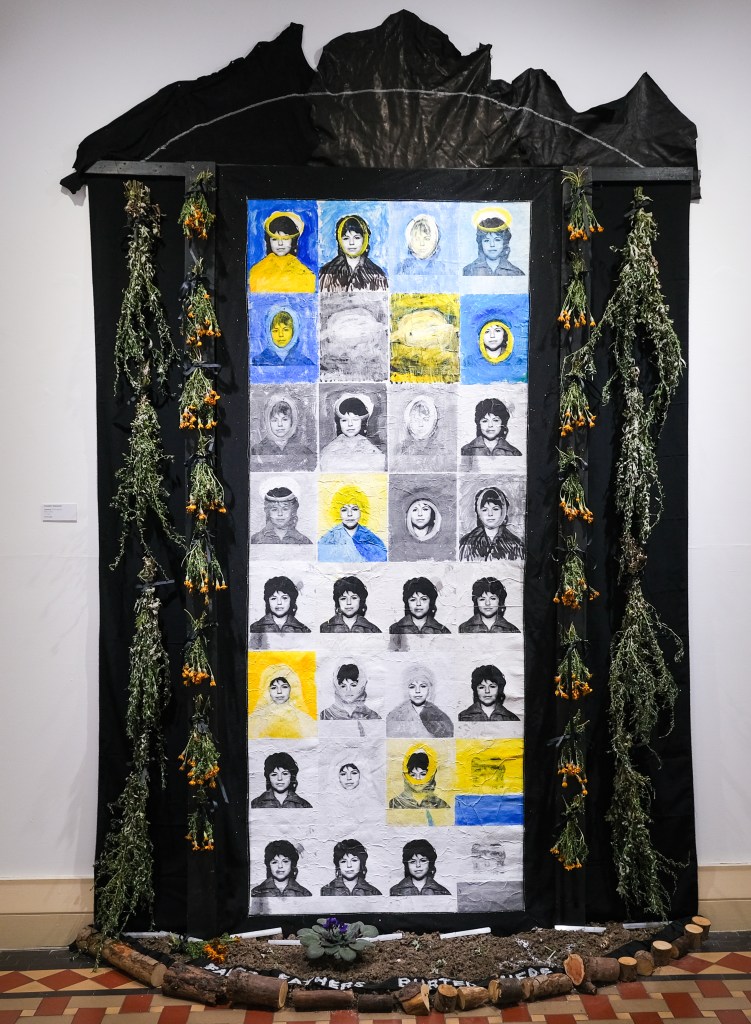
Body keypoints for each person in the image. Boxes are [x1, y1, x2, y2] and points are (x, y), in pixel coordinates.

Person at [248, 211, 316, 292]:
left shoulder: (306, 274)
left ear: (293, 241)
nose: (280, 243)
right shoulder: (256, 271)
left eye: (285, 239)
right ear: (268, 241)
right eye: (275, 239)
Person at [319, 214, 388, 293]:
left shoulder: (377, 273)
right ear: (339, 241)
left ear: (365, 240)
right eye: (346, 238)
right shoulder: (326, 271)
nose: (351, 243)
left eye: (357, 237)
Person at [248, 662, 316, 739]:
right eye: (274, 688)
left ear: (292, 688)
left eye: (284, 687)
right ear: (267, 690)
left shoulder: (305, 721)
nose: (279, 692)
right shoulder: (254, 721)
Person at [318, 487, 387, 562]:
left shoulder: (372, 539)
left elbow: (382, 559)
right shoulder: (328, 539)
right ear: (337, 512)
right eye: (344, 510)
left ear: (362, 511)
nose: (349, 514)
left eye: (354, 509)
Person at [319, 393, 386, 471]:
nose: (350, 424)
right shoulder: (329, 450)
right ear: (338, 423)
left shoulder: (372, 450)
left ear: (362, 421)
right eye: (344, 420)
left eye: (355, 420)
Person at [459, 486, 525, 562]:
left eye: (495, 509)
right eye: (485, 510)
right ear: (478, 512)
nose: (490, 514)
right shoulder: (466, 542)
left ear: (503, 511)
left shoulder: (516, 544)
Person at [386, 664, 453, 738]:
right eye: (412, 687)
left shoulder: (440, 717)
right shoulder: (394, 716)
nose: (417, 691)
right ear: (406, 689)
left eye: (423, 686)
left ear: (429, 688)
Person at [251, 393, 316, 469]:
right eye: (274, 420)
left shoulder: (304, 452)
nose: (280, 424)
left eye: (284, 419)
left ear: (292, 421)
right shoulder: (257, 451)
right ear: (268, 423)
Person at [463, 208, 524, 277]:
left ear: (504, 242)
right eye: (486, 240)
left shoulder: (516, 273)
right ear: (481, 243)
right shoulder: (468, 271)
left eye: (497, 240)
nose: (492, 245)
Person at [388, 746, 450, 810]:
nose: (418, 779)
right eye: (413, 774)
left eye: (422, 774)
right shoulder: (395, 803)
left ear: (432, 775)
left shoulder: (441, 805)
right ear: (405, 776)